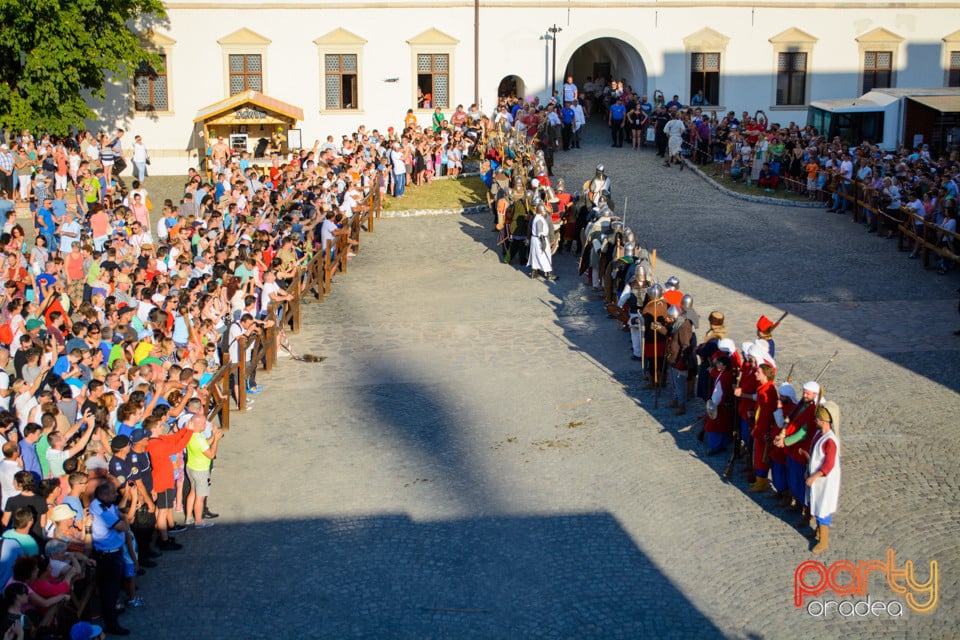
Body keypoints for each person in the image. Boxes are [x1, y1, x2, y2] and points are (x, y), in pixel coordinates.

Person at [89, 481, 131, 635]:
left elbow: (118, 513)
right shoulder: (102, 510)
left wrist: (121, 517)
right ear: (103, 495)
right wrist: (124, 519)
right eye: (113, 493)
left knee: (112, 587)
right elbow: (123, 526)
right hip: (108, 555)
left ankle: (111, 611)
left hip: (112, 551)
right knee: (110, 590)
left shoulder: (103, 504)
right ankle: (111, 622)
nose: (116, 495)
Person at [806, 400, 841, 553]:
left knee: (823, 508)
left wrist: (814, 476)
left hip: (825, 480)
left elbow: (828, 464)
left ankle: (824, 540)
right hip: (818, 478)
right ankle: (819, 531)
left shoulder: (830, 441)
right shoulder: (819, 434)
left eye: (817, 419)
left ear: (823, 422)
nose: (815, 421)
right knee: (817, 504)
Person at [527, 204, 556, 281]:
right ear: (540, 211)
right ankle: (549, 274)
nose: (545, 213)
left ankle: (534, 272)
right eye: (544, 211)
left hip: (535, 240)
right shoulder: (539, 219)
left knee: (535, 256)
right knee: (545, 256)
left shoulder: (535, 217)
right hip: (540, 239)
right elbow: (540, 232)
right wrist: (543, 242)